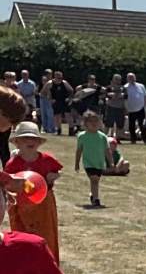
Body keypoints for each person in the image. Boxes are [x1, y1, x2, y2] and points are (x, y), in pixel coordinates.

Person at [2, 121, 63, 261]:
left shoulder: (46, 159)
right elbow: (7, 183)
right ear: (17, 143)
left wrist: (53, 176)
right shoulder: (13, 163)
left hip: (44, 203)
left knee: (47, 233)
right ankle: (25, 264)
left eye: (33, 138)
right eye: (25, 138)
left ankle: (48, 262)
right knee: (23, 233)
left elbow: (58, 171)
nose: (30, 141)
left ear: (39, 142)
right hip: (21, 204)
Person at [75, 112, 111, 210]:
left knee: (95, 181)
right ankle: (96, 199)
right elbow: (79, 150)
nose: (94, 123)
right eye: (91, 121)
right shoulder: (82, 136)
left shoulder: (103, 136)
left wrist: (111, 162)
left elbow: (107, 150)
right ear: (85, 123)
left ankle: (93, 195)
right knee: (94, 179)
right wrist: (77, 163)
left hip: (99, 163)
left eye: (96, 121)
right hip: (88, 163)